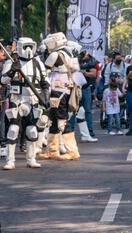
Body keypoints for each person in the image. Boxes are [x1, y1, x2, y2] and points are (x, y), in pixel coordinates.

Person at [1, 37, 50, 170]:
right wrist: (12, 71)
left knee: (32, 130)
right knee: (13, 130)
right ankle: (10, 160)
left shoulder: (38, 64)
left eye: (30, 46)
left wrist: (45, 98)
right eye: (25, 46)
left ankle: (31, 158)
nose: (28, 50)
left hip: (33, 100)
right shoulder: (11, 63)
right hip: (16, 99)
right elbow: (3, 81)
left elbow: (45, 83)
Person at [39, 32, 81, 161]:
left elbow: (43, 70)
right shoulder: (68, 53)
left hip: (57, 91)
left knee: (61, 121)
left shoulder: (55, 54)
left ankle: (72, 151)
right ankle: (52, 150)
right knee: (54, 121)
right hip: (64, 90)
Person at [77, 50, 98, 140]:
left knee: (87, 110)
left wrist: (84, 72)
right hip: (75, 88)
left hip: (85, 88)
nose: (83, 55)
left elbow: (94, 74)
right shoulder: (75, 60)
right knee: (73, 111)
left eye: (84, 54)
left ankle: (90, 131)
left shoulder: (91, 61)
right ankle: (70, 131)